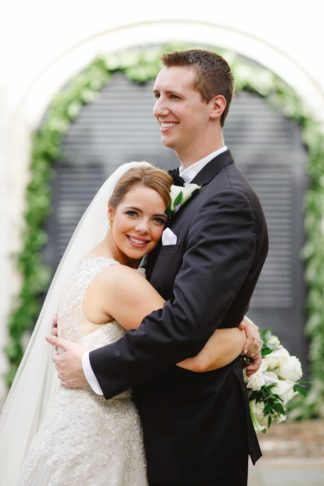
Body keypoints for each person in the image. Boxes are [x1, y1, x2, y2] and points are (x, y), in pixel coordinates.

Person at [48, 49, 269, 485]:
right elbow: (185, 298)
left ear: (215, 106)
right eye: (156, 95)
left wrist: (96, 365)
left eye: (173, 96)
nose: (158, 108)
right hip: (148, 425)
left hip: (192, 432)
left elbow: (185, 324)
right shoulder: (174, 188)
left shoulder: (227, 202)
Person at [0, 163, 257, 485]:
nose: (143, 229)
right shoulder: (120, 282)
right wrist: (242, 336)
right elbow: (194, 353)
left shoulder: (91, 266)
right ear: (110, 213)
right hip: (99, 441)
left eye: (158, 219)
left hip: (70, 430)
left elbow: (176, 317)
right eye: (132, 213)